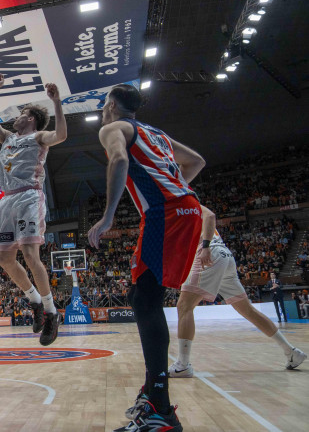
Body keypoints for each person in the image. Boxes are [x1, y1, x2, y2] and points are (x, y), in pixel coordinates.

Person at [87, 84, 206, 432]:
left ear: (110, 105)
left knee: (147, 301)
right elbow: (197, 161)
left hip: (166, 213)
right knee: (140, 297)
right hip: (181, 208)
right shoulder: (157, 133)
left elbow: (120, 159)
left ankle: (160, 410)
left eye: (103, 104)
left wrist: (108, 215)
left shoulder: (112, 128)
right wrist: (175, 187)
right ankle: (154, 396)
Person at [0, 74, 67, 345]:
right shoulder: (6, 137)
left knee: (30, 254)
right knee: (5, 259)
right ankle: (36, 302)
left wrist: (56, 103)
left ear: (30, 119)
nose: (16, 117)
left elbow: (61, 135)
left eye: (22, 113)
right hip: (6, 201)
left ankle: (52, 313)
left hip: (29, 196)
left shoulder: (39, 136)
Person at [169, 205, 306, 378]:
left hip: (209, 253)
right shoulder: (180, 207)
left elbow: (210, 216)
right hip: (225, 256)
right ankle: (291, 351)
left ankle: (183, 364)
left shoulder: (181, 200)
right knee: (247, 310)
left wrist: (205, 247)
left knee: (184, 306)